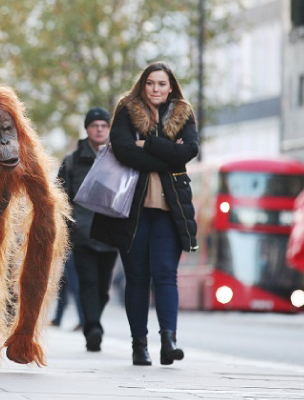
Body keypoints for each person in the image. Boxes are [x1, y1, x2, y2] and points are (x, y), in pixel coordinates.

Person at [91, 62, 199, 366]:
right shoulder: (127, 110)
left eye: (161, 84)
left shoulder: (183, 113)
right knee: (137, 278)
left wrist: (149, 143)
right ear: (143, 84)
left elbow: (189, 150)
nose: (155, 89)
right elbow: (123, 149)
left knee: (166, 275)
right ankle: (140, 344)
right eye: (151, 83)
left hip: (170, 211)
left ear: (170, 87)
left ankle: (168, 341)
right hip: (131, 210)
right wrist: (166, 153)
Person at [58, 107, 119, 351]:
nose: (99, 129)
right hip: (82, 234)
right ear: (87, 129)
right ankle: (92, 327)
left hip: (111, 234)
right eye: (95, 125)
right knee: (88, 282)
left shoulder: (119, 159)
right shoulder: (72, 161)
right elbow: (60, 196)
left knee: (103, 288)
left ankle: (93, 322)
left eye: (104, 125)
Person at [50, 253, 84, 331]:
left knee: (75, 287)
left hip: (71, 252)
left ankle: (83, 320)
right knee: (62, 286)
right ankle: (58, 319)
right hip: (65, 253)